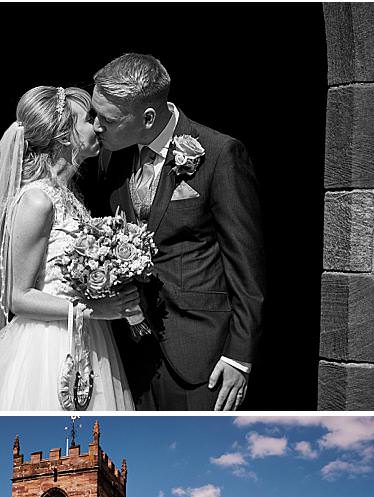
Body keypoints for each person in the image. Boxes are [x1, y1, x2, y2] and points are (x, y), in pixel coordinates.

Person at [0, 85, 139, 411]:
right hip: (47, 344)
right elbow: (16, 297)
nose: (98, 125)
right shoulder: (36, 199)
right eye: (88, 118)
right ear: (64, 134)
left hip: (87, 335)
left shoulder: (70, 197)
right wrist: (93, 309)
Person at [92, 53, 265, 411]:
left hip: (200, 356)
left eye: (106, 119)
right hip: (126, 355)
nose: (95, 126)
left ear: (148, 118)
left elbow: (247, 268)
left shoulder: (219, 154)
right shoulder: (113, 155)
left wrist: (239, 357)